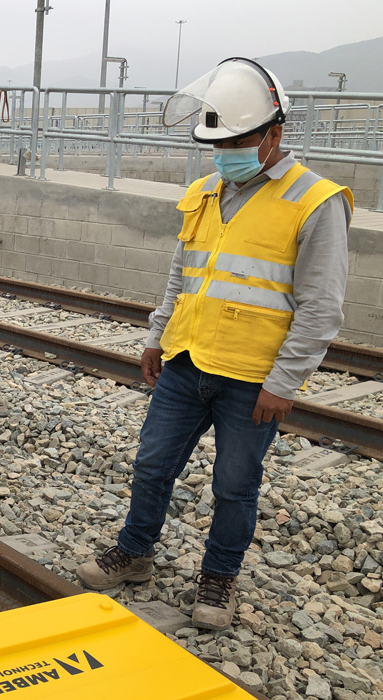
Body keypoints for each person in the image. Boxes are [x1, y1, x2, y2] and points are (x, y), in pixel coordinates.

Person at [76, 57, 352, 630]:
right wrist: (156, 335)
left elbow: (321, 307)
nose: (225, 151)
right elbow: (183, 275)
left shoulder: (316, 201)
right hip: (185, 361)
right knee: (152, 465)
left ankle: (219, 579)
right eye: (217, 141)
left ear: (275, 134)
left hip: (252, 379)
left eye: (238, 139)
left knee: (233, 486)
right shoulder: (205, 192)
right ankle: (135, 552)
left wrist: (284, 383)